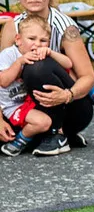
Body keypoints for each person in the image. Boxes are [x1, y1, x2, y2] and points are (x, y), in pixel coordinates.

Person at [0, 0, 94, 150]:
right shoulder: (12, 27)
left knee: (37, 65)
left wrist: (66, 95)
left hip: (70, 105)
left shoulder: (66, 28)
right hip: (23, 107)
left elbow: (88, 77)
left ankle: (58, 132)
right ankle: (42, 136)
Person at [0, 15, 75, 156]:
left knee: (54, 69)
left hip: (30, 100)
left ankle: (92, 91)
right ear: (18, 40)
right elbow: (3, 82)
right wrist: (19, 62)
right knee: (43, 122)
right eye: (31, 39)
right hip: (12, 105)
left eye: (43, 40)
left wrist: (51, 52)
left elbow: (68, 64)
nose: (37, 44)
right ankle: (20, 141)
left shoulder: (43, 53)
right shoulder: (8, 55)